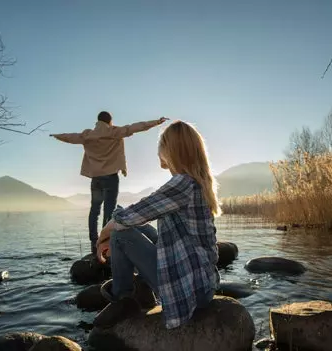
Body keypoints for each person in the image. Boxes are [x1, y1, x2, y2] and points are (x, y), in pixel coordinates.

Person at [93, 120, 221, 330]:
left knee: (120, 234)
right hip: (203, 282)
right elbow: (140, 213)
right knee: (132, 224)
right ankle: (139, 289)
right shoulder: (197, 182)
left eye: (162, 147)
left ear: (171, 151)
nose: (159, 154)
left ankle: (122, 298)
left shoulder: (183, 183)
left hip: (190, 289)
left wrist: (102, 237)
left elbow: (132, 214)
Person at [50, 111, 168, 254]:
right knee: (109, 211)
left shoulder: (88, 135)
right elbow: (136, 127)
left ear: (98, 121)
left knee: (94, 210)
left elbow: (70, 137)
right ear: (110, 121)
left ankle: (94, 243)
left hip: (96, 179)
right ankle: (106, 243)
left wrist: (57, 136)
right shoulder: (114, 132)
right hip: (111, 178)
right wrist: (156, 122)